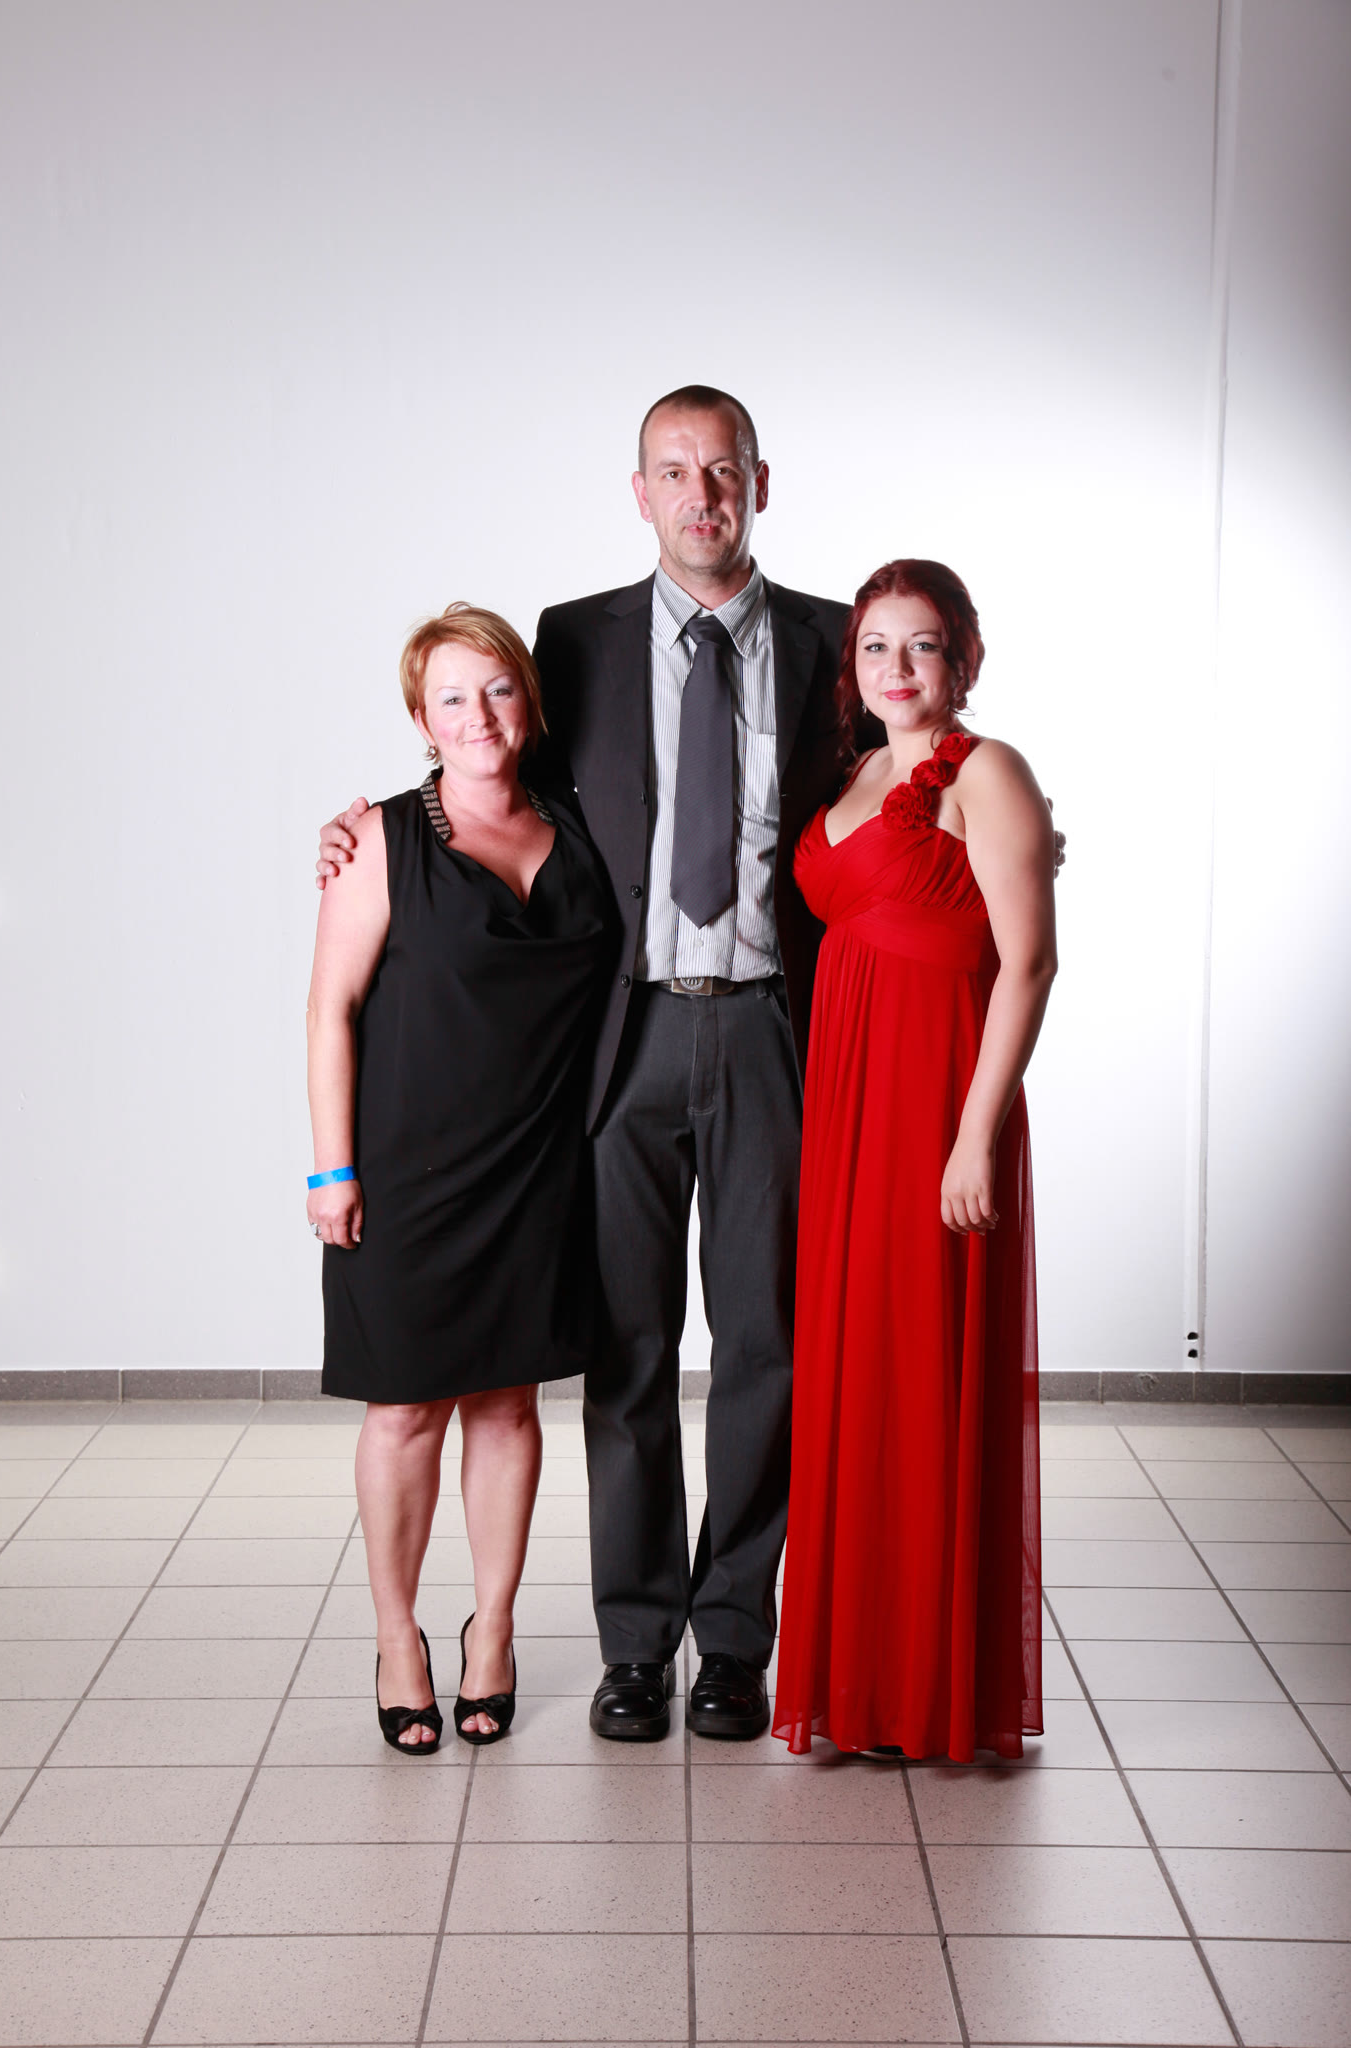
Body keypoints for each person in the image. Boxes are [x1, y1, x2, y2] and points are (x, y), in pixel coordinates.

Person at [319, 387, 854, 1742]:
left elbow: (895, 776)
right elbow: (487, 764)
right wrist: (365, 829)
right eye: (673, 471)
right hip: (620, 1044)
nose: (699, 494)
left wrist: (997, 811)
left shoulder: (829, 640)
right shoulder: (575, 640)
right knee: (625, 1350)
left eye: (722, 470)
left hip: (770, 1027)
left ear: (760, 482)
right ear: (639, 493)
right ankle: (634, 1645)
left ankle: (733, 1642)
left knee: (765, 1348)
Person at [306, 604, 613, 1752]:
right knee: (402, 1410)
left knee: (507, 1403)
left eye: (497, 689)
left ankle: (494, 1629)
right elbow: (329, 1010)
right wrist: (330, 1166)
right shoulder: (381, 839)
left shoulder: (584, 822)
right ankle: (398, 1636)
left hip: (540, 1166)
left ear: (528, 700)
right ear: (420, 719)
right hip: (405, 1173)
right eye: (451, 697)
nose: (478, 715)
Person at [772, 559, 1053, 1762]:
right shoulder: (858, 773)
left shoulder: (987, 771)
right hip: (848, 1105)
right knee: (861, 1372)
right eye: (876, 645)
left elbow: (1029, 963)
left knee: (925, 1370)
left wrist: (975, 1132)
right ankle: (865, 1678)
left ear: (963, 656)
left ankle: (930, 1684)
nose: (897, 666)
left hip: (937, 1103)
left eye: (922, 644)